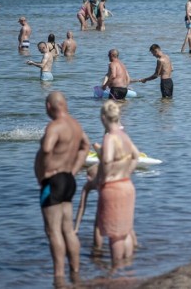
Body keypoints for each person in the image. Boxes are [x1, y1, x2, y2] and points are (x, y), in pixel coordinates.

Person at [34, 91, 90, 281]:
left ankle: (58, 275)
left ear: (49, 106)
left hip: (53, 181)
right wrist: (74, 169)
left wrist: (44, 173)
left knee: (53, 230)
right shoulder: (75, 125)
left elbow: (48, 148)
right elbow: (85, 146)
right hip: (68, 179)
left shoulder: (55, 126)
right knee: (67, 228)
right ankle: (75, 272)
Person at [95, 100, 140, 267]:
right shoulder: (124, 135)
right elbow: (136, 156)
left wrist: (104, 179)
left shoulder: (110, 138)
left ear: (104, 117)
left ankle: (115, 270)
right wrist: (128, 171)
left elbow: (106, 161)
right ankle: (127, 269)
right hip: (127, 184)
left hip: (113, 188)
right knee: (125, 231)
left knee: (114, 234)